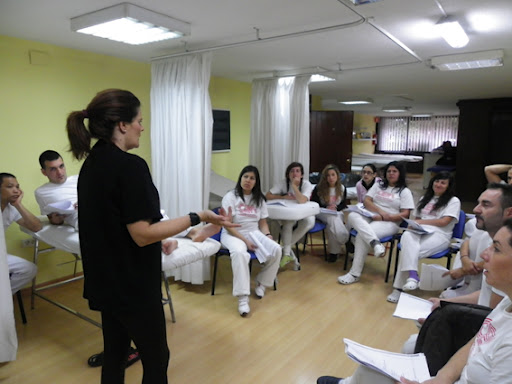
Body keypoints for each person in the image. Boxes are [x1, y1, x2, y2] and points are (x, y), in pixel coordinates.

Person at [66, 89, 235, 384]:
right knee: (156, 360)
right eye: (139, 121)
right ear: (122, 125)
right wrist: (199, 216)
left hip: (105, 282)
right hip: (131, 287)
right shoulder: (130, 166)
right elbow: (143, 235)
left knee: (116, 354)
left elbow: (116, 225)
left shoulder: (91, 165)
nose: (142, 128)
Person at [318, 218, 512, 384]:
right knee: (373, 367)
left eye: (496, 249)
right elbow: (478, 340)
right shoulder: (507, 303)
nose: (484, 255)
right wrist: (441, 379)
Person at [387, 172, 460, 303]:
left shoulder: (453, 201)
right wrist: (413, 225)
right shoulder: (424, 199)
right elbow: (417, 219)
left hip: (440, 235)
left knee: (408, 252)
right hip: (420, 232)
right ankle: (413, 277)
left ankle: (398, 289)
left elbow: (444, 222)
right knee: (407, 234)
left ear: (448, 186)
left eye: (443, 183)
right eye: (437, 181)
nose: (438, 184)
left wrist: (420, 223)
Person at [338, 161, 414, 284]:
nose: (391, 174)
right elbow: (367, 201)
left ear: (400, 174)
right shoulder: (379, 185)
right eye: (389, 171)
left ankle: (354, 273)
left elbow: (405, 214)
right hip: (371, 214)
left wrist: (386, 217)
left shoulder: (404, 191)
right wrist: (380, 212)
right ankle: (375, 244)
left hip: (390, 222)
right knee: (352, 215)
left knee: (361, 236)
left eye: (394, 171)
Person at [221, 165, 281, 316]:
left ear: (256, 182)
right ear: (240, 178)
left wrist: (267, 235)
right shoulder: (230, 196)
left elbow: (263, 223)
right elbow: (227, 225)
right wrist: (245, 242)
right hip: (232, 233)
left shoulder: (259, 199)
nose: (248, 180)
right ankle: (242, 298)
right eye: (245, 176)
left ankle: (262, 282)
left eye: (252, 178)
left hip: (253, 232)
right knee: (240, 253)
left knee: (276, 249)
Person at [266, 162, 315, 267]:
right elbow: (268, 195)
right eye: (292, 171)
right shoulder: (283, 183)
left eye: (297, 171)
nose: (295, 174)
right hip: (289, 211)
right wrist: (283, 197)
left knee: (310, 222)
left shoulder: (306, 184)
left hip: (304, 212)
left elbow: (302, 200)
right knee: (288, 222)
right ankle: (287, 253)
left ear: (302, 175)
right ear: (288, 174)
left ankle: (284, 249)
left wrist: (294, 186)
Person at [1, 173, 40, 295]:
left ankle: (4, 298)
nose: (16, 191)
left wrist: (18, 205)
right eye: (10, 187)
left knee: (29, 269)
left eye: (17, 187)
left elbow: (36, 227)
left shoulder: (11, 209)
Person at [311, 164, 349, 262]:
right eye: (328, 175)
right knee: (333, 219)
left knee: (332, 224)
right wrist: (326, 207)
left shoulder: (342, 188)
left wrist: (336, 207)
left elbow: (343, 204)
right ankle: (346, 240)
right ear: (325, 177)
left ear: (337, 176)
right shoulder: (318, 188)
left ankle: (334, 253)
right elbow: (315, 203)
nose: (331, 178)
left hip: (336, 213)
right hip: (322, 212)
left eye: (333, 175)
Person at [34, 150, 79, 230]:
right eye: (53, 169)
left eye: (61, 166)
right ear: (44, 172)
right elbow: (54, 220)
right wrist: (56, 219)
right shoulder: (41, 192)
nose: (60, 172)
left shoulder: (79, 178)